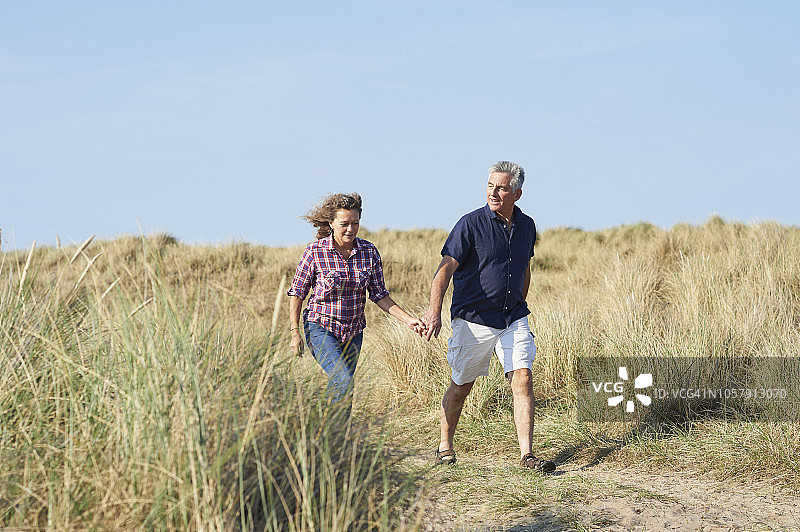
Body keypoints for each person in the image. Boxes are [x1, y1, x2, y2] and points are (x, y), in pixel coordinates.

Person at [421, 161, 556, 473]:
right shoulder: (469, 224)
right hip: (473, 319)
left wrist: (520, 300)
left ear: (517, 193)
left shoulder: (527, 226)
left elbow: (525, 268)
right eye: (490, 185)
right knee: (462, 385)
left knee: (522, 377)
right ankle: (445, 443)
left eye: (502, 187)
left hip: (513, 317)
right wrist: (434, 311)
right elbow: (445, 270)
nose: (494, 192)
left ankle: (527, 455)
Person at [288, 192, 425, 404]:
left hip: (353, 331)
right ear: (331, 223)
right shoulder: (315, 252)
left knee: (345, 388)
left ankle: (337, 435)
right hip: (320, 326)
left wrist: (408, 320)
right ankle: (322, 429)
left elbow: (380, 295)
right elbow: (297, 292)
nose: (350, 229)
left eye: (355, 223)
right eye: (344, 223)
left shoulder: (368, 252)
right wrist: (294, 332)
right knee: (343, 380)